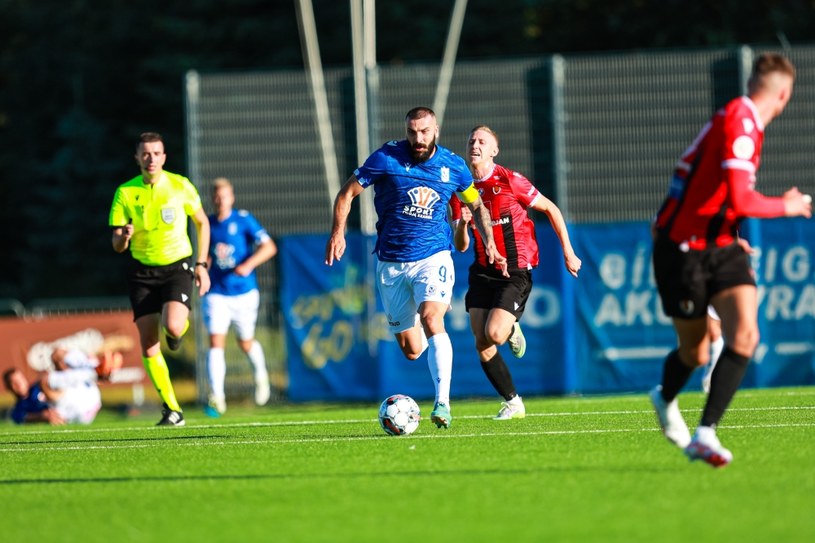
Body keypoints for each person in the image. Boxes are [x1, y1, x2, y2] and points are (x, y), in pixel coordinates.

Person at [649, 53, 811, 467]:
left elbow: (711, 190)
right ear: (785, 94)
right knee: (695, 353)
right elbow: (741, 197)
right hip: (681, 248)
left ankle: (705, 432)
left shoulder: (743, 122)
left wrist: (730, 234)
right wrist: (787, 206)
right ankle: (665, 397)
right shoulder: (741, 120)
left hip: (719, 244)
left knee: (745, 335)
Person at [325, 107, 507, 429]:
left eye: (424, 132)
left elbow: (475, 204)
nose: (418, 139)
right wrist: (337, 232)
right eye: (412, 132)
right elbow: (347, 193)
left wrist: (489, 242)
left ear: (435, 129)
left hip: (433, 256)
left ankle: (443, 403)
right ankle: (432, 352)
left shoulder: (452, 165)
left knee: (432, 316)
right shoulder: (386, 158)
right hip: (391, 263)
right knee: (411, 350)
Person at [450, 126, 582, 420]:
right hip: (482, 271)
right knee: (481, 342)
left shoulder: (511, 181)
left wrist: (568, 252)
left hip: (515, 270)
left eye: (482, 142)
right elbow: (460, 246)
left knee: (494, 333)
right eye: (471, 140)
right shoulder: (460, 189)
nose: (475, 145)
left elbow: (551, 209)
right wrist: (461, 225)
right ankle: (513, 402)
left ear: (494, 151)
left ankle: (510, 327)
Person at [109, 132, 211, 427]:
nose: (151, 158)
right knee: (149, 344)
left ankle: (177, 331)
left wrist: (201, 264)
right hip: (141, 272)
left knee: (173, 326)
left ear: (164, 157)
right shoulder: (125, 193)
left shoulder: (180, 185)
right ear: (137, 157)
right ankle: (172, 408)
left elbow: (202, 222)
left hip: (176, 267)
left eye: (156, 153)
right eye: (145, 153)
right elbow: (116, 244)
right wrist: (123, 238)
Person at [202, 177, 278, 416]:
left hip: (244, 293)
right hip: (217, 293)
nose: (220, 199)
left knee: (245, 342)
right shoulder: (208, 223)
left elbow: (269, 247)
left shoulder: (243, 220)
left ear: (231, 197)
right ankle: (217, 396)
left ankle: (261, 375)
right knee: (216, 342)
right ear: (212, 198)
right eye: (216, 195)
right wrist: (202, 270)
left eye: (224, 195)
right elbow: (208, 255)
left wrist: (248, 265)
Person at [3, 367, 102, 425]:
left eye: (19, 379)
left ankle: (91, 376)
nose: (18, 383)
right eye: (13, 382)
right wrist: (42, 416)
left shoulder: (37, 387)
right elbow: (21, 418)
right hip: (74, 416)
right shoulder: (20, 407)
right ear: (8, 387)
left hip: (82, 397)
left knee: (48, 380)